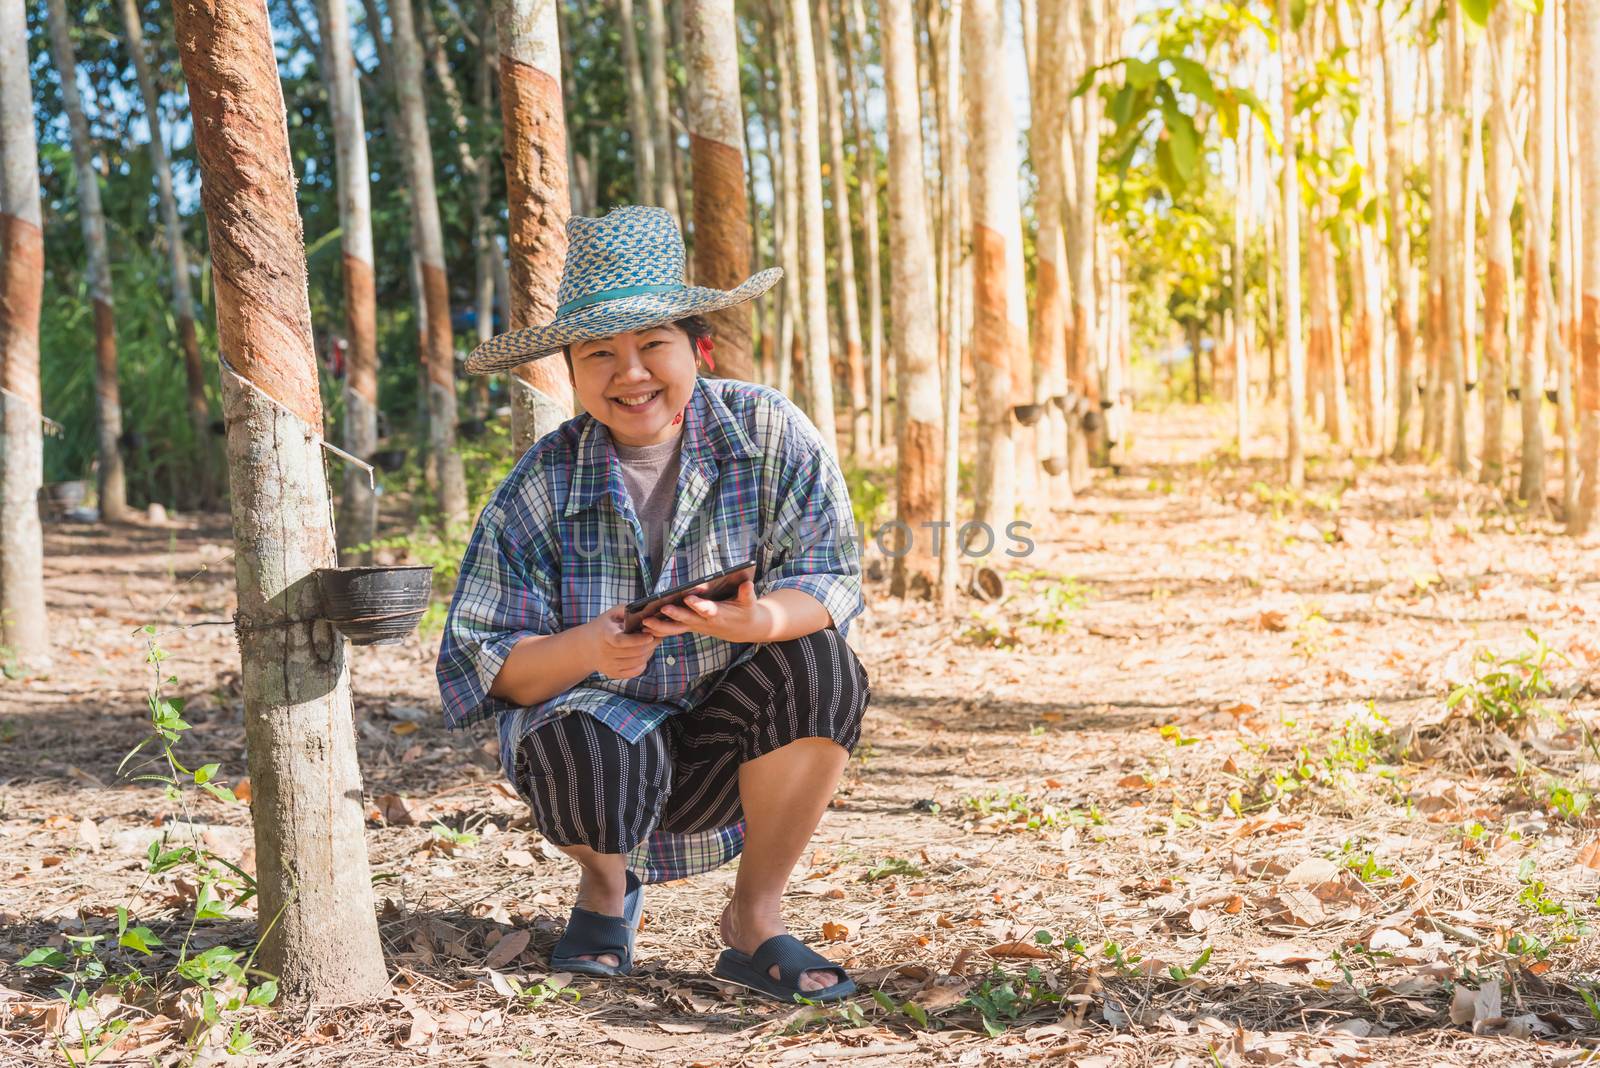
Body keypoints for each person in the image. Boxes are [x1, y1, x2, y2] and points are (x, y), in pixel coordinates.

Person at [436, 205, 870, 1004]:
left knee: (824, 664)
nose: (629, 373)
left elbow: (833, 575)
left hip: (734, 747)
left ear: (697, 348)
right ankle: (605, 892)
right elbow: (482, 665)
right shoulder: (541, 481)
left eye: (653, 345)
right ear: (571, 369)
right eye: (600, 352)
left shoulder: (769, 430)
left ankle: (753, 919)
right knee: (573, 733)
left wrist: (760, 620)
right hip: (601, 755)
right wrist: (590, 651)